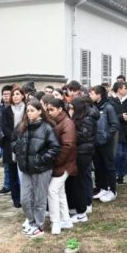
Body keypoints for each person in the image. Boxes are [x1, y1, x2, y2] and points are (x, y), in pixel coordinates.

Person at [14, 99, 60, 238]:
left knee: (40, 199)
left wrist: (40, 160)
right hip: (26, 168)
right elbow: (15, 142)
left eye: (32, 110)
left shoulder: (47, 127)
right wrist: (19, 153)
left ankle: (39, 226)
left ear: (40, 111)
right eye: (27, 111)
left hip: (42, 169)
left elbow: (55, 148)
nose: (29, 113)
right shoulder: (23, 126)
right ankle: (32, 221)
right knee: (25, 199)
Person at [46, 99, 76, 235]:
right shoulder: (58, 122)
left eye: (51, 109)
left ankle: (56, 222)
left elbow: (68, 146)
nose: (49, 112)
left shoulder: (67, 123)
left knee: (52, 191)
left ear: (60, 109)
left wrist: (56, 161)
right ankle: (66, 220)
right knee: (60, 192)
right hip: (62, 164)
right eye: (47, 110)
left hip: (65, 164)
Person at [66, 97, 95, 223]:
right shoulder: (75, 120)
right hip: (76, 153)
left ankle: (82, 212)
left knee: (80, 183)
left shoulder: (86, 120)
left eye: (72, 108)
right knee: (73, 182)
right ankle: (74, 209)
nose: (70, 110)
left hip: (83, 154)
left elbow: (83, 136)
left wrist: (69, 134)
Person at [89, 85, 120, 204]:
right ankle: (102, 188)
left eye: (92, 93)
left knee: (109, 166)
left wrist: (106, 136)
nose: (90, 95)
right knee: (98, 166)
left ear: (99, 95)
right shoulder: (94, 106)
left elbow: (115, 125)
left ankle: (112, 190)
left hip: (106, 142)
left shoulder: (109, 107)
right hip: (95, 142)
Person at [0, 86, 25, 207]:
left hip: (25, 143)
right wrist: (14, 137)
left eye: (17, 94)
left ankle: (25, 197)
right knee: (12, 172)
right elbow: (4, 127)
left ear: (22, 95)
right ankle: (16, 198)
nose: (15, 96)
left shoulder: (27, 109)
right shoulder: (6, 110)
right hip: (10, 144)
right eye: (13, 94)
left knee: (24, 174)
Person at [108, 81, 127, 184]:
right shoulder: (111, 102)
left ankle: (121, 177)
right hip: (116, 133)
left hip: (126, 132)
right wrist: (121, 117)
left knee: (125, 155)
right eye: (124, 88)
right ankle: (113, 176)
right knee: (117, 155)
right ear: (119, 89)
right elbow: (110, 116)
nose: (126, 90)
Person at [0, 86, 12, 196]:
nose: (6, 96)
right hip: (4, 140)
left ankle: (15, 186)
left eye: (8, 94)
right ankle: (7, 185)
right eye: (4, 94)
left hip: (13, 140)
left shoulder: (15, 108)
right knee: (6, 165)